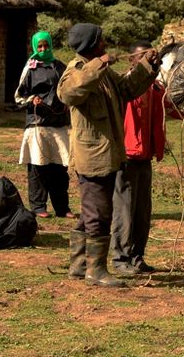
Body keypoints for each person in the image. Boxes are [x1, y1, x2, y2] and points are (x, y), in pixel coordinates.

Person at [57, 23, 159, 288]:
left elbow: (126, 90)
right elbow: (68, 93)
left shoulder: (103, 74)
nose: (105, 43)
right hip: (91, 158)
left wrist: (147, 67)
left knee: (91, 211)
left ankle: (80, 265)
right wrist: (98, 65)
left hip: (107, 154)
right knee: (99, 213)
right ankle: (96, 270)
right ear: (91, 44)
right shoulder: (76, 70)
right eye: (100, 40)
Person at [111, 40, 166, 276]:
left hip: (145, 157)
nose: (148, 61)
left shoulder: (155, 89)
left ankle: (137, 256)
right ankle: (120, 258)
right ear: (132, 60)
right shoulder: (123, 88)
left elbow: (170, 109)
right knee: (124, 209)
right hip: (126, 156)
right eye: (143, 58)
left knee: (143, 211)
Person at [14, 30, 72, 219]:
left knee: (60, 168)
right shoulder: (30, 68)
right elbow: (18, 97)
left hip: (58, 124)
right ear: (34, 47)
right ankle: (38, 207)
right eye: (39, 46)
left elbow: (69, 90)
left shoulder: (60, 67)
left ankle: (62, 208)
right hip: (38, 124)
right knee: (38, 167)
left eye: (46, 45)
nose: (43, 49)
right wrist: (32, 100)